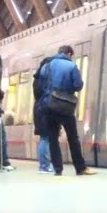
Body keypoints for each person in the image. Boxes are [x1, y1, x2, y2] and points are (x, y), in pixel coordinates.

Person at [36, 45, 93, 176]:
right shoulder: (71, 66)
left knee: (52, 138)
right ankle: (80, 168)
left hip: (49, 105)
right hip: (65, 106)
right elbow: (78, 85)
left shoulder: (46, 66)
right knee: (73, 137)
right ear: (68, 54)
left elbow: (39, 85)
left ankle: (58, 169)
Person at [33, 53, 55, 174]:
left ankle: (44, 165)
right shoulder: (46, 78)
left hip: (38, 108)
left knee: (44, 137)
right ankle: (44, 165)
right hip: (46, 108)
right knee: (46, 138)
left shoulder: (36, 79)